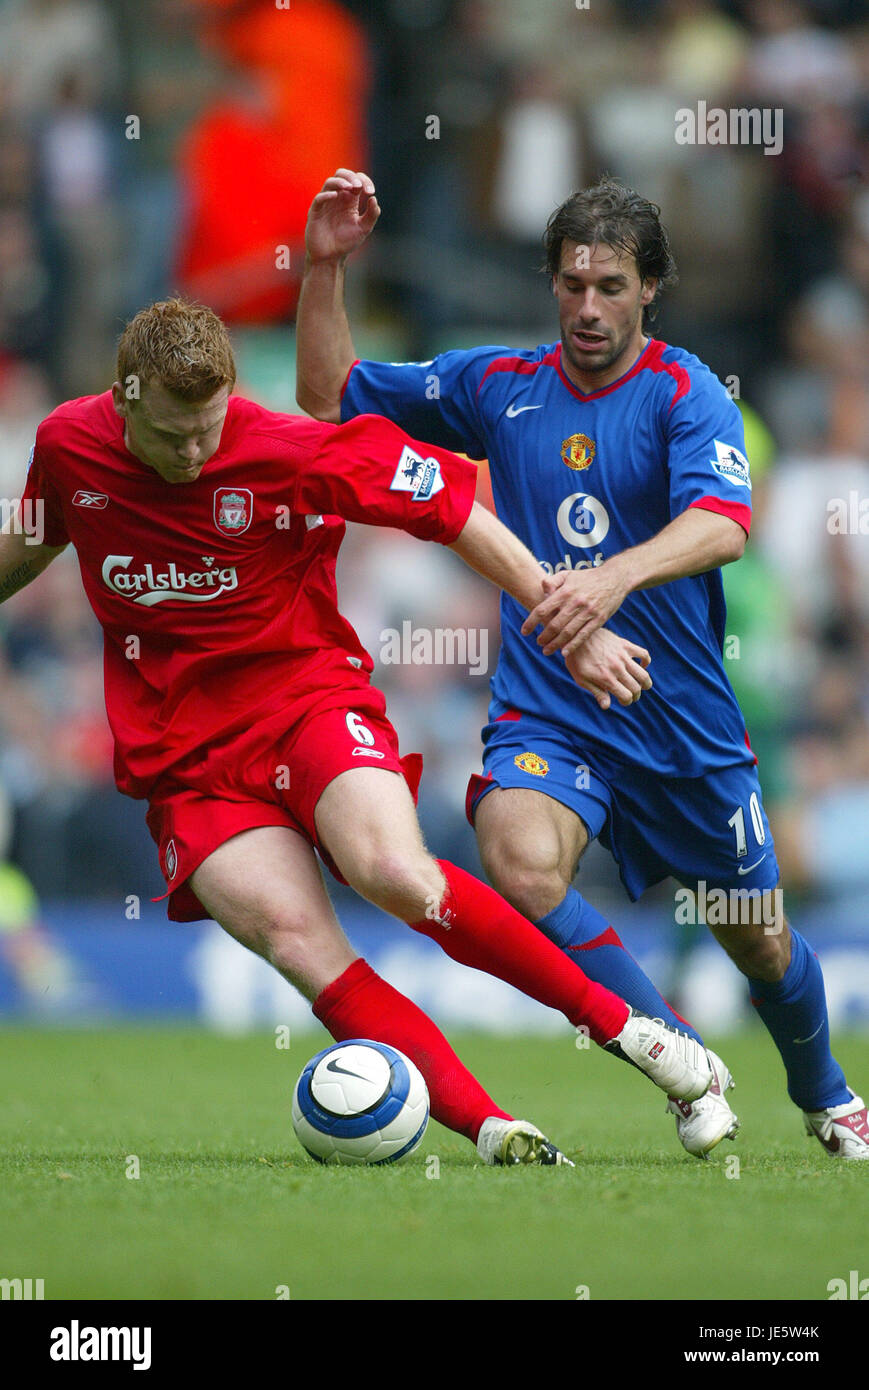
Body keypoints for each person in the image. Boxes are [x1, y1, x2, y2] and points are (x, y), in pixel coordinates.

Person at [0, 297, 714, 1169]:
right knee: (300, 943)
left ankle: (632, 1032)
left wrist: (574, 622)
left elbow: (457, 514)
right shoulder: (69, 445)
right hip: (182, 758)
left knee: (394, 875)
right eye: (172, 434)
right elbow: (32, 541)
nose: (194, 452)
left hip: (305, 705)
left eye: (207, 429)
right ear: (124, 397)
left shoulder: (284, 447)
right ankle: (492, 1130)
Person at [296, 169, 868, 1161]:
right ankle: (677, 1057)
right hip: (552, 712)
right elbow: (329, 396)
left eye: (609, 286)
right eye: (570, 284)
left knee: (760, 942)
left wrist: (607, 581)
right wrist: (322, 267)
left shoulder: (685, 392)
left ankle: (826, 1094)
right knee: (516, 856)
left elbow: (720, 526)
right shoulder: (497, 386)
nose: (587, 307)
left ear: (650, 288)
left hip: (680, 722)